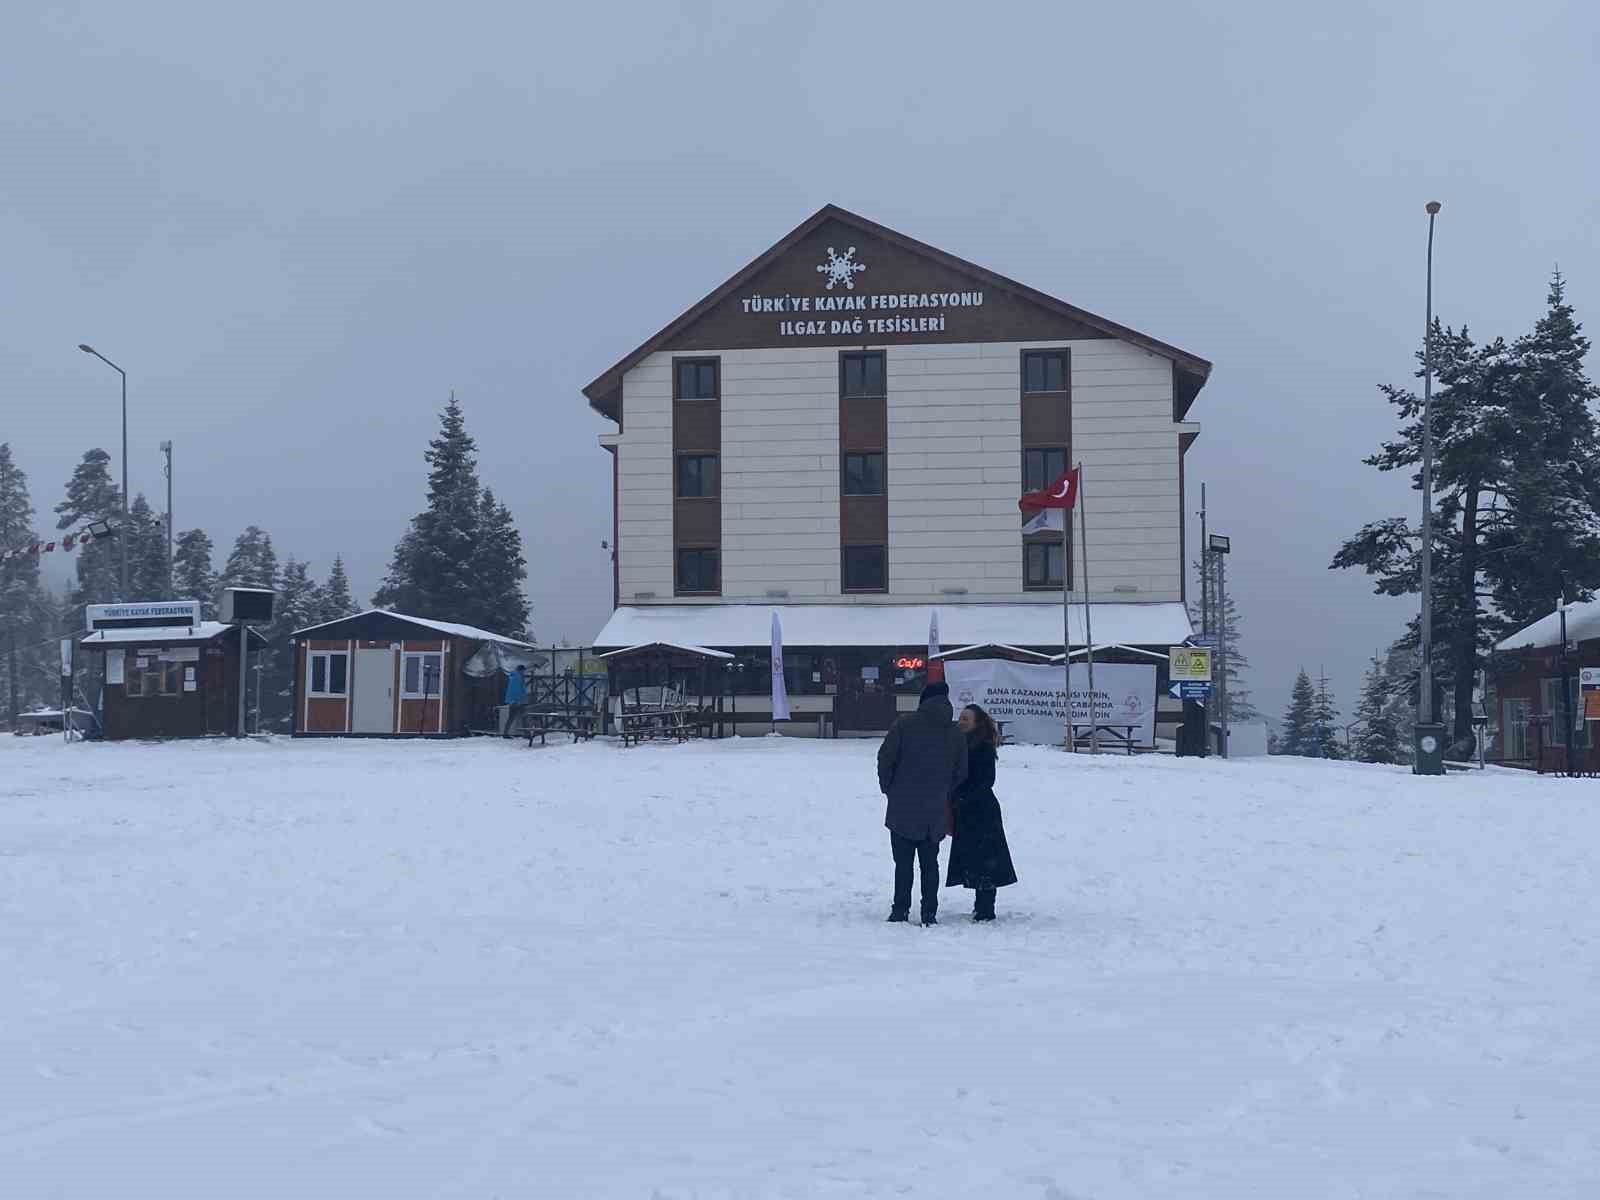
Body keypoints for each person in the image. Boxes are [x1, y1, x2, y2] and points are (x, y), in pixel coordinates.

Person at [877, 681, 968, 925]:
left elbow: (885, 758)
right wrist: (944, 792)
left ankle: (900, 909)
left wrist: (890, 789)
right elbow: (961, 771)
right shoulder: (955, 732)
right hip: (935, 809)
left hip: (902, 808)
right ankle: (929, 912)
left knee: (903, 864)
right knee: (930, 864)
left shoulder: (904, 725)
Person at [946, 704, 1018, 922]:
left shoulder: (982, 746)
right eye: (960, 718)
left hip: (981, 810)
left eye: (966, 718)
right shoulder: (961, 743)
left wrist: (962, 797)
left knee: (986, 858)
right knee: (976, 857)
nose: (961, 721)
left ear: (977, 722)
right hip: (966, 809)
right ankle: (982, 905)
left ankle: (986, 907)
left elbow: (986, 781)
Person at [503, 664, 529, 737]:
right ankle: (526, 734)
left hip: (513, 701)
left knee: (511, 718)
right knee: (524, 717)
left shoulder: (512, 677)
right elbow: (518, 690)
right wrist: (519, 700)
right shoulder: (518, 677)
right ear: (521, 670)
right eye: (523, 671)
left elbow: (512, 690)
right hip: (518, 701)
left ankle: (505, 733)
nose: (524, 672)